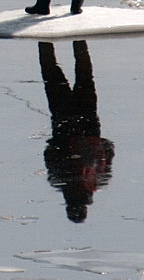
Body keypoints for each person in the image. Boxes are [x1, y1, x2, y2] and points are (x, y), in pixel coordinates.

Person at [39, 41, 114, 223]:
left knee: (85, 76)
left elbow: (109, 149)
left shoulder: (100, 181)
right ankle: (44, 41)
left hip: (90, 124)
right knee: (51, 73)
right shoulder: (59, 181)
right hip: (63, 124)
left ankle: (79, 40)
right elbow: (49, 154)